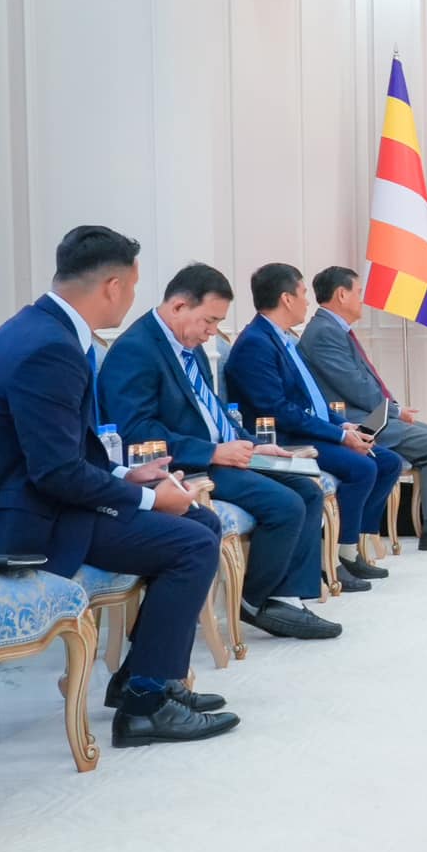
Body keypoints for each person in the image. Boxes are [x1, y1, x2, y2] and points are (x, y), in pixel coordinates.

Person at [0, 227, 237, 745]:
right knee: (191, 542)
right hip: (14, 522)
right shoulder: (49, 348)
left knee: (200, 521)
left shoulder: (38, 328)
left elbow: (58, 453)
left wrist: (125, 475)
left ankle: (143, 678)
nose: (133, 297)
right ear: (113, 286)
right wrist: (148, 497)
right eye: (133, 287)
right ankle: (145, 708)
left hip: (33, 498)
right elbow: (54, 473)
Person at [99, 263, 341, 642]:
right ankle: (254, 602)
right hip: (186, 465)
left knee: (307, 488)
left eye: (217, 323)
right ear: (179, 306)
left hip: (220, 454)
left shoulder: (189, 345)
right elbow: (137, 432)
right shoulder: (135, 350)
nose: (213, 332)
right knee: (286, 504)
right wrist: (213, 452)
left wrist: (254, 444)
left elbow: (214, 411)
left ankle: (285, 597)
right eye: (209, 320)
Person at [225, 262, 404, 584]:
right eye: (303, 293)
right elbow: (279, 410)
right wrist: (339, 436)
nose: (308, 301)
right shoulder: (256, 343)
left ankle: (351, 547)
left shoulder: (283, 338)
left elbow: (311, 399)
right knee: (363, 468)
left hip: (307, 428)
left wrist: (343, 426)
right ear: (287, 298)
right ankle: (333, 556)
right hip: (283, 438)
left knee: (388, 462)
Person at [301, 266, 427, 551]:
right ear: (342, 294)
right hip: (354, 421)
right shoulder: (323, 332)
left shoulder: (333, 329)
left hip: (369, 414)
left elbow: (363, 382)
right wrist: (394, 412)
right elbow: (354, 386)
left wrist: (394, 408)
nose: (362, 299)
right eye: (359, 292)